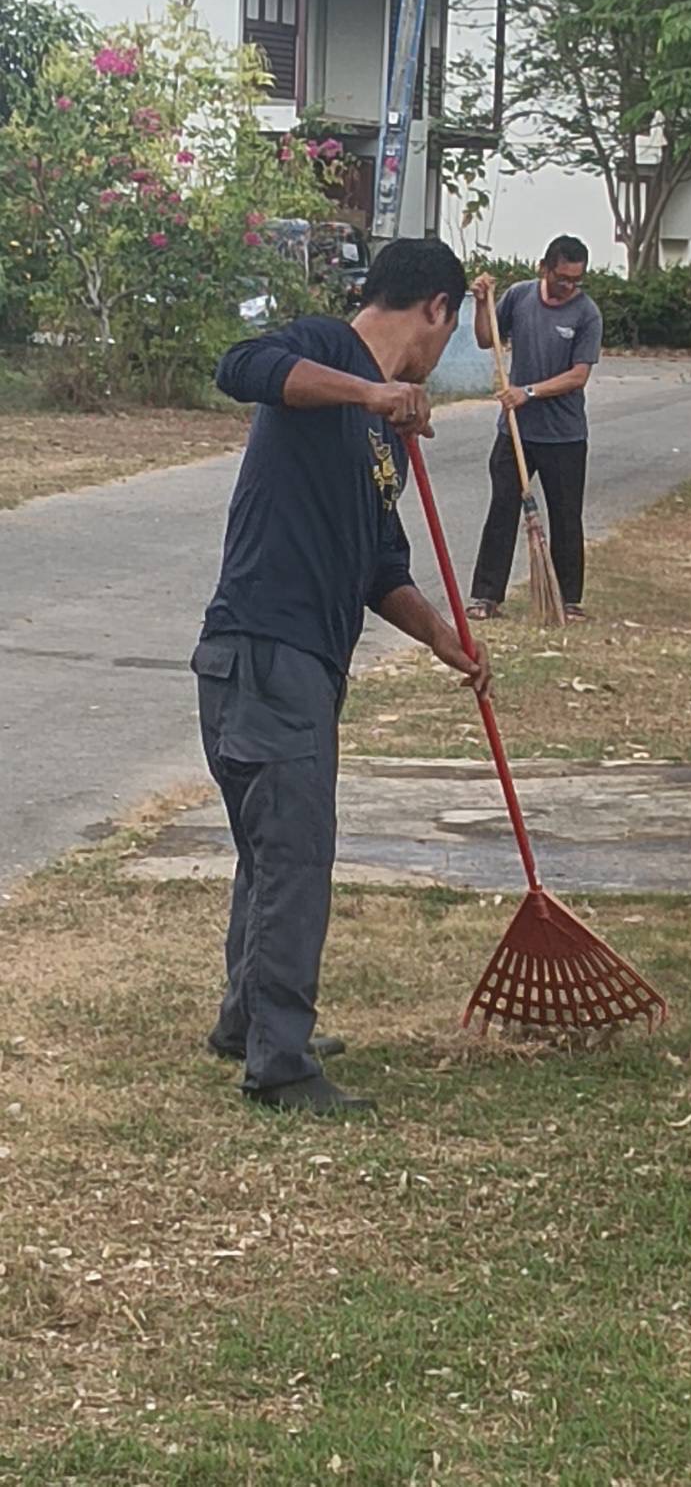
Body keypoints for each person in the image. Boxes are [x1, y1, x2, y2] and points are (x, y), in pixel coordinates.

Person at [191, 238, 490, 1119]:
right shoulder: (327, 350)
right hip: (262, 649)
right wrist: (372, 390)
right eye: (450, 330)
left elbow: (378, 567)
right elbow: (239, 366)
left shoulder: (377, 436)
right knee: (294, 853)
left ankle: (247, 1021)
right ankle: (280, 1067)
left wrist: (446, 639)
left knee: (269, 847)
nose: (442, 357)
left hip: (300, 663)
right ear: (435, 308)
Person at [467, 235, 603, 623]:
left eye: (577, 280)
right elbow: (486, 338)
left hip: (564, 435)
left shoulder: (587, 314)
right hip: (516, 431)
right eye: (563, 278)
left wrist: (528, 392)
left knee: (565, 517)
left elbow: (578, 376)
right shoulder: (520, 296)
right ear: (544, 268)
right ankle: (486, 597)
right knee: (502, 512)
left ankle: (569, 600)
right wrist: (481, 304)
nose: (569, 288)